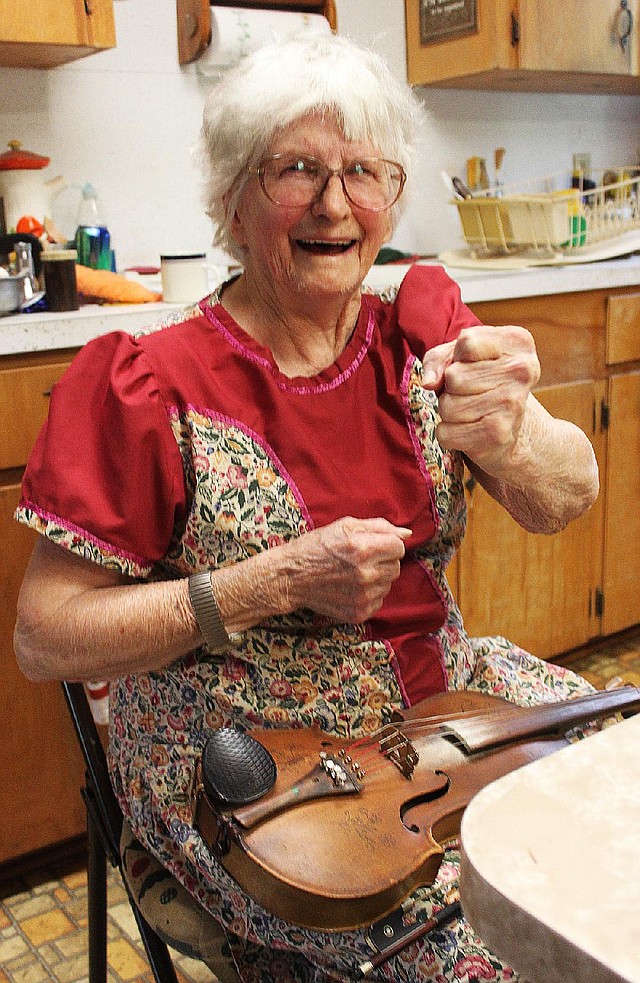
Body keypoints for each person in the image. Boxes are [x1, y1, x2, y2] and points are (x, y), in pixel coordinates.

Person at [14, 34, 599, 983]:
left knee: (614, 830)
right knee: (477, 955)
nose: (335, 204)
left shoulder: (421, 331)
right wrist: (269, 580)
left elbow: (567, 495)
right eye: (297, 170)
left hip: (443, 712)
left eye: (363, 172)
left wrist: (513, 435)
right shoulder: (149, 385)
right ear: (235, 200)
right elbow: (44, 637)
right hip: (248, 766)